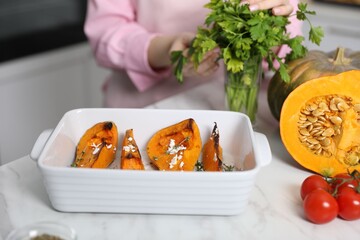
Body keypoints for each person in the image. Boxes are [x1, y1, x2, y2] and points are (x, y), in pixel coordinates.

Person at [84, 0, 302, 108]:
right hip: (147, 108)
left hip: (247, 109)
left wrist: (271, 34)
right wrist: (165, 50)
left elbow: (290, 26)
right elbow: (105, 30)